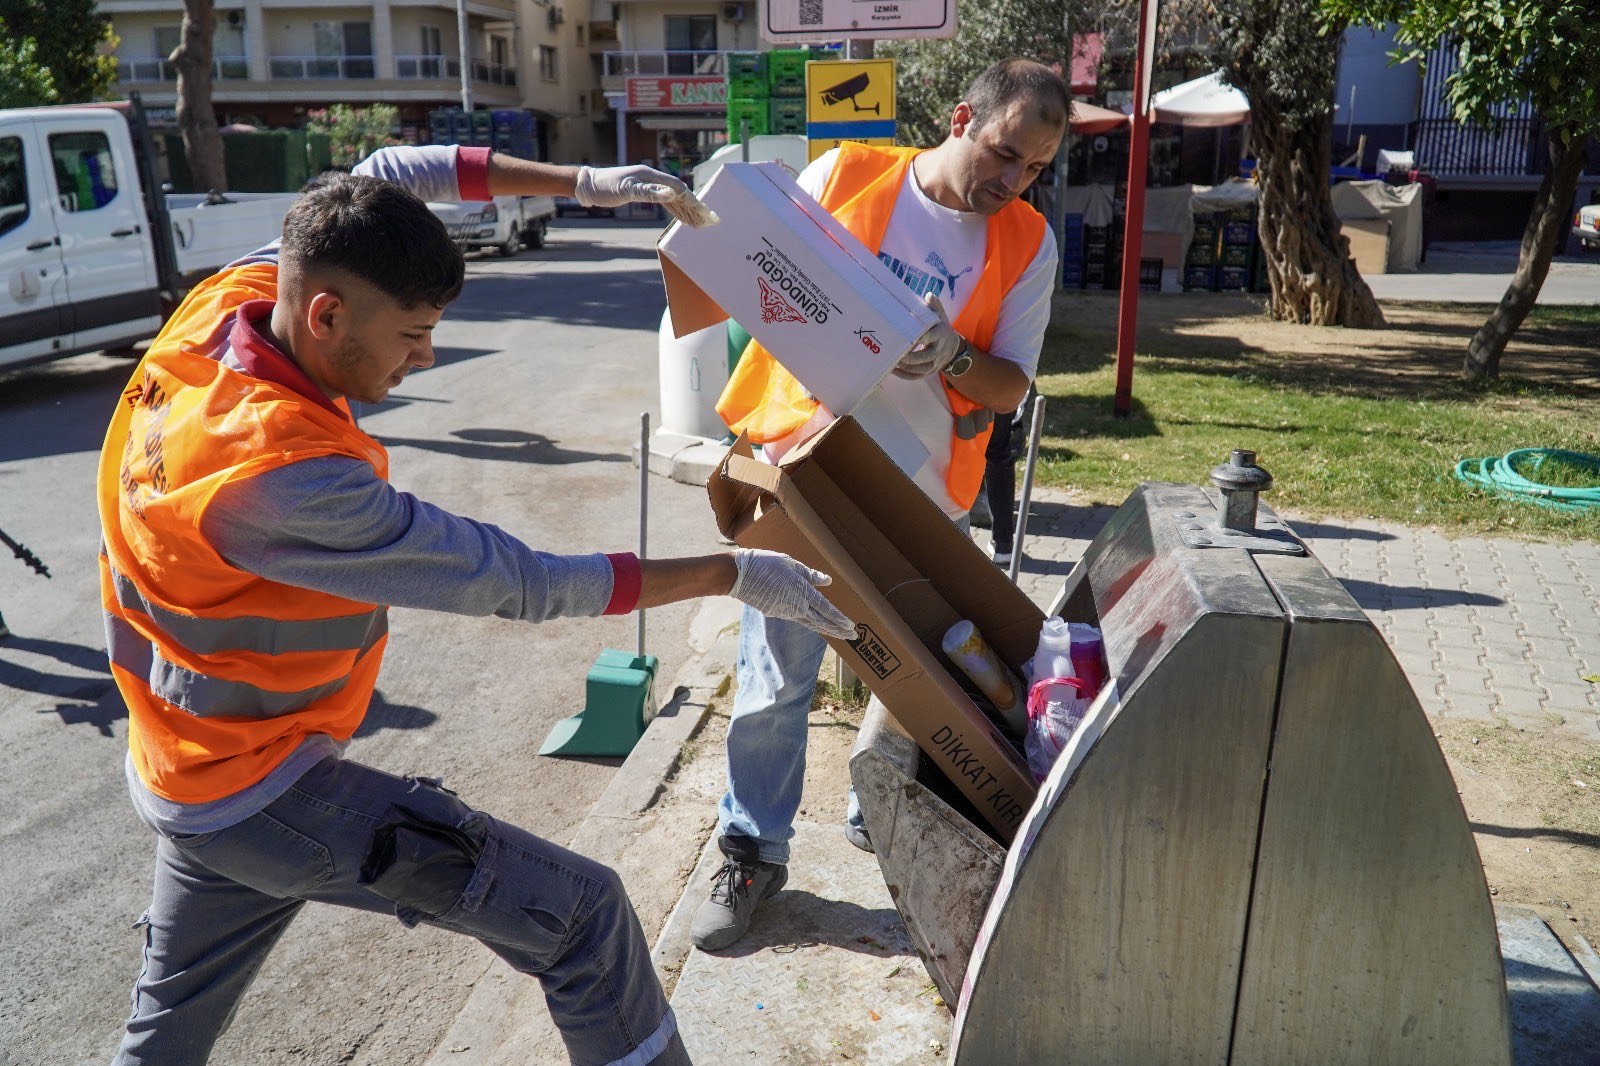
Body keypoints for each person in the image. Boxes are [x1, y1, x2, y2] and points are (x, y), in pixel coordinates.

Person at [98, 144, 856, 1066]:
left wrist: (584, 184)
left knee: (161, 1038)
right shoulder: (278, 477)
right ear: (327, 313)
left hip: (185, 763)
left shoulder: (230, 303)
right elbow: (522, 581)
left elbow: (382, 171)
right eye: (412, 333)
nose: (427, 355)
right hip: (262, 789)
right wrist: (728, 574)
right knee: (584, 918)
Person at [695, 59, 1069, 951]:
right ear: (960, 118)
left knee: (916, 675)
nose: (1012, 182)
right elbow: (757, 283)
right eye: (1005, 153)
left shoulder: (1026, 241)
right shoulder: (845, 176)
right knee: (776, 670)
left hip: (918, 499)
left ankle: (886, 802)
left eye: (1035, 169)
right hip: (803, 467)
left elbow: (1011, 385)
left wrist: (948, 355)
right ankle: (752, 849)